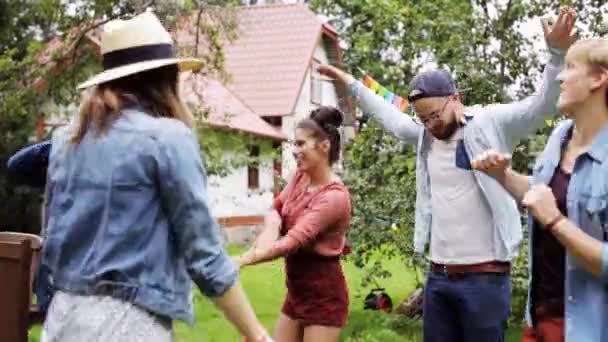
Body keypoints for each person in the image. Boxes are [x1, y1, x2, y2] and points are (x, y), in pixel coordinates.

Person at [316, 7, 578, 342]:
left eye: (435, 114)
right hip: (439, 278)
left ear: (455, 98)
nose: (429, 123)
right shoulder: (426, 137)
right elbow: (391, 118)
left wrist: (556, 54)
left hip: (485, 278)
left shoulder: (490, 123)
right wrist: (351, 84)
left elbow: (540, 107)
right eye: (422, 118)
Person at [35, 12, 271, 342]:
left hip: (62, 318)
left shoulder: (66, 141)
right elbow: (204, 254)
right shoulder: (166, 139)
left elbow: (51, 236)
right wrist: (255, 333)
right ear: (165, 78)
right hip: (126, 324)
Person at [472, 37, 608, 342]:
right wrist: (502, 175)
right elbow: (540, 194)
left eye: (570, 67)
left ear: (598, 78)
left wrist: (556, 222)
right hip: (539, 318)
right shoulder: (560, 136)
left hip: (587, 328)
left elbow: (550, 209)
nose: (560, 76)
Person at [235, 106, 352, 342]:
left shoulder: (334, 197)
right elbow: (277, 206)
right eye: (294, 144)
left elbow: (292, 242)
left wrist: (241, 260)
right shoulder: (301, 176)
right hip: (297, 292)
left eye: (300, 144)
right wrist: (271, 227)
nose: (294, 151)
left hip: (324, 297)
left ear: (324, 146)